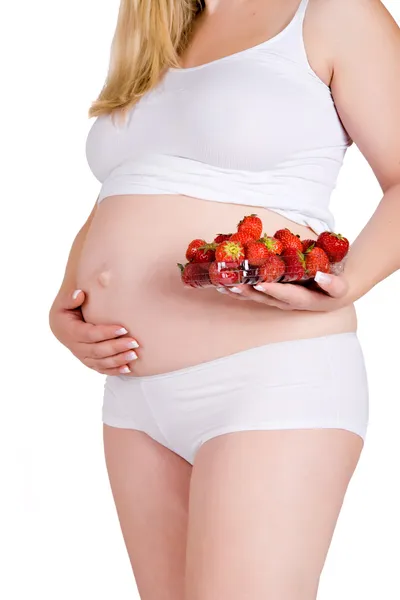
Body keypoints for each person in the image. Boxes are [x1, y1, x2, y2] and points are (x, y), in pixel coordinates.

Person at [49, 0, 400, 598]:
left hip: (269, 378)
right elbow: (126, 186)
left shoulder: (332, 13)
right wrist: (66, 303)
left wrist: (348, 281)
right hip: (134, 400)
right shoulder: (157, 28)